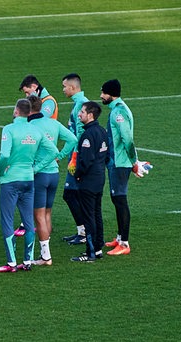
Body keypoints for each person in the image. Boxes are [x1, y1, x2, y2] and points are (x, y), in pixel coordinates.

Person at [0, 99, 59, 273]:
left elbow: (5, 155)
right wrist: (36, 168)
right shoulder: (36, 131)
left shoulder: (9, 129)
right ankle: (27, 261)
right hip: (28, 180)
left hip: (11, 180)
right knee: (28, 220)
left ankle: (12, 263)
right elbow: (54, 151)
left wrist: (1, 172)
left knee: (7, 220)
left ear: (16, 111)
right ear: (29, 112)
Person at [27, 94, 78, 265]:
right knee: (47, 212)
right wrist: (60, 156)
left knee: (39, 215)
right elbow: (72, 139)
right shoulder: (53, 123)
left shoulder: (30, 126)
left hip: (39, 175)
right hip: (54, 174)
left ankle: (45, 256)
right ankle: (45, 250)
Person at [100, 79, 137, 256]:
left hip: (120, 163)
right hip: (116, 162)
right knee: (116, 199)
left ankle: (124, 244)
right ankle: (119, 237)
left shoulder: (119, 112)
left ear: (111, 94)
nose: (101, 96)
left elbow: (127, 139)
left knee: (120, 200)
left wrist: (134, 162)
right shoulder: (117, 109)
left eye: (103, 93)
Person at [72, 101, 109, 262]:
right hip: (99, 178)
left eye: (82, 111)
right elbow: (107, 156)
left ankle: (91, 252)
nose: (79, 114)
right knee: (96, 214)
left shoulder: (88, 135)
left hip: (88, 181)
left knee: (88, 217)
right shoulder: (102, 131)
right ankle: (98, 248)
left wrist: (78, 174)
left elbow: (85, 160)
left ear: (90, 115)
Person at [60, 73, 90, 245]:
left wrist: (72, 159)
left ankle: (85, 232)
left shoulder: (80, 105)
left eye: (64, 86)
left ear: (72, 87)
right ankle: (82, 231)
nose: (63, 89)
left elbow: (79, 136)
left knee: (70, 194)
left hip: (77, 158)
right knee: (73, 194)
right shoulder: (79, 103)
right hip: (75, 157)